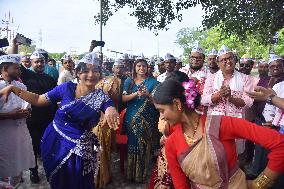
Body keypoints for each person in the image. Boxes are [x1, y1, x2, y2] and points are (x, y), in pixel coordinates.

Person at [0, 52, 120, 189]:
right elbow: (39, 100)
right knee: (58, 180)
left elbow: (109, 105)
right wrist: (14, 89)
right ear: (78, 73)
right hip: (55, 141)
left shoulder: (101, 96)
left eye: (96, 71)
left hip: (80, 147)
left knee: (79, 181)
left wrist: (111, 109)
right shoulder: (66, 88)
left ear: (100, 74)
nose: (91, 75)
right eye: (86, 71)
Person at [152, 79, 284, 189]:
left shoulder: (221, 124)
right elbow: (182, 187)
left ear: (177, 104)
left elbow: (280, 144)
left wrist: (259, 184)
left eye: (162, 110)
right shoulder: (171, 143)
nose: (161, 117)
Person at [201, 45, 255, 158]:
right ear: (218, 63)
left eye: (230, 58)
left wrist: (231, 98)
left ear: (235, 59)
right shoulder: (211, 78)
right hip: (216, 123)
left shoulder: (246, 78)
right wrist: (219, 94)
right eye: (223, 60)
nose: (227, 61)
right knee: (216, 155)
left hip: (237, 123)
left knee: (237, 155)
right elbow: (203, 100)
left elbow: (249, 102)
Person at [19, 51, 58, 183]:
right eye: (37, 61)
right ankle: (33, 171)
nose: (40, 64)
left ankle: (50, 170)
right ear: (31, 63)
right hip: (32, 119)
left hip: (48, 119)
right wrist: (14, 45)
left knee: (48, 146)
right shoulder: (26, 75)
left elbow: (56, 98)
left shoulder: (50, 79)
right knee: (32, 148)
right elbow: (13, 62)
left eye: (41, 61)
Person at [148, 70, 189, 189]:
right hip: (166, 156)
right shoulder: (168, 110)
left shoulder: (182, 118)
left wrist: (167, 139)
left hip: (178, 159)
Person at [122, 57, 160, 183]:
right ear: (135, 68)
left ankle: (141, 174)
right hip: (132, 118)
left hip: (148, 119)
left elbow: (157, 103)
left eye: (144, 66)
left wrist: (147, 96)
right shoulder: (129, 81)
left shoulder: (153, 83)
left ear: (147, 68)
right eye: (139, 66)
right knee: (133, 144)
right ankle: (131, 174)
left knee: (144, 145)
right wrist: (136, 94)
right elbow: (123, 99)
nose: (141, 68)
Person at [0, 54, 35, 187]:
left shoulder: (21, 86)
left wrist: (27, 112)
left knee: (18, 165)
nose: (19, 71)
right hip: (3, 135)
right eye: (16, 68)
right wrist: (10, 115)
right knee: (4, 167)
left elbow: (29, 105)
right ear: (4, 69)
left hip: (20, 133)